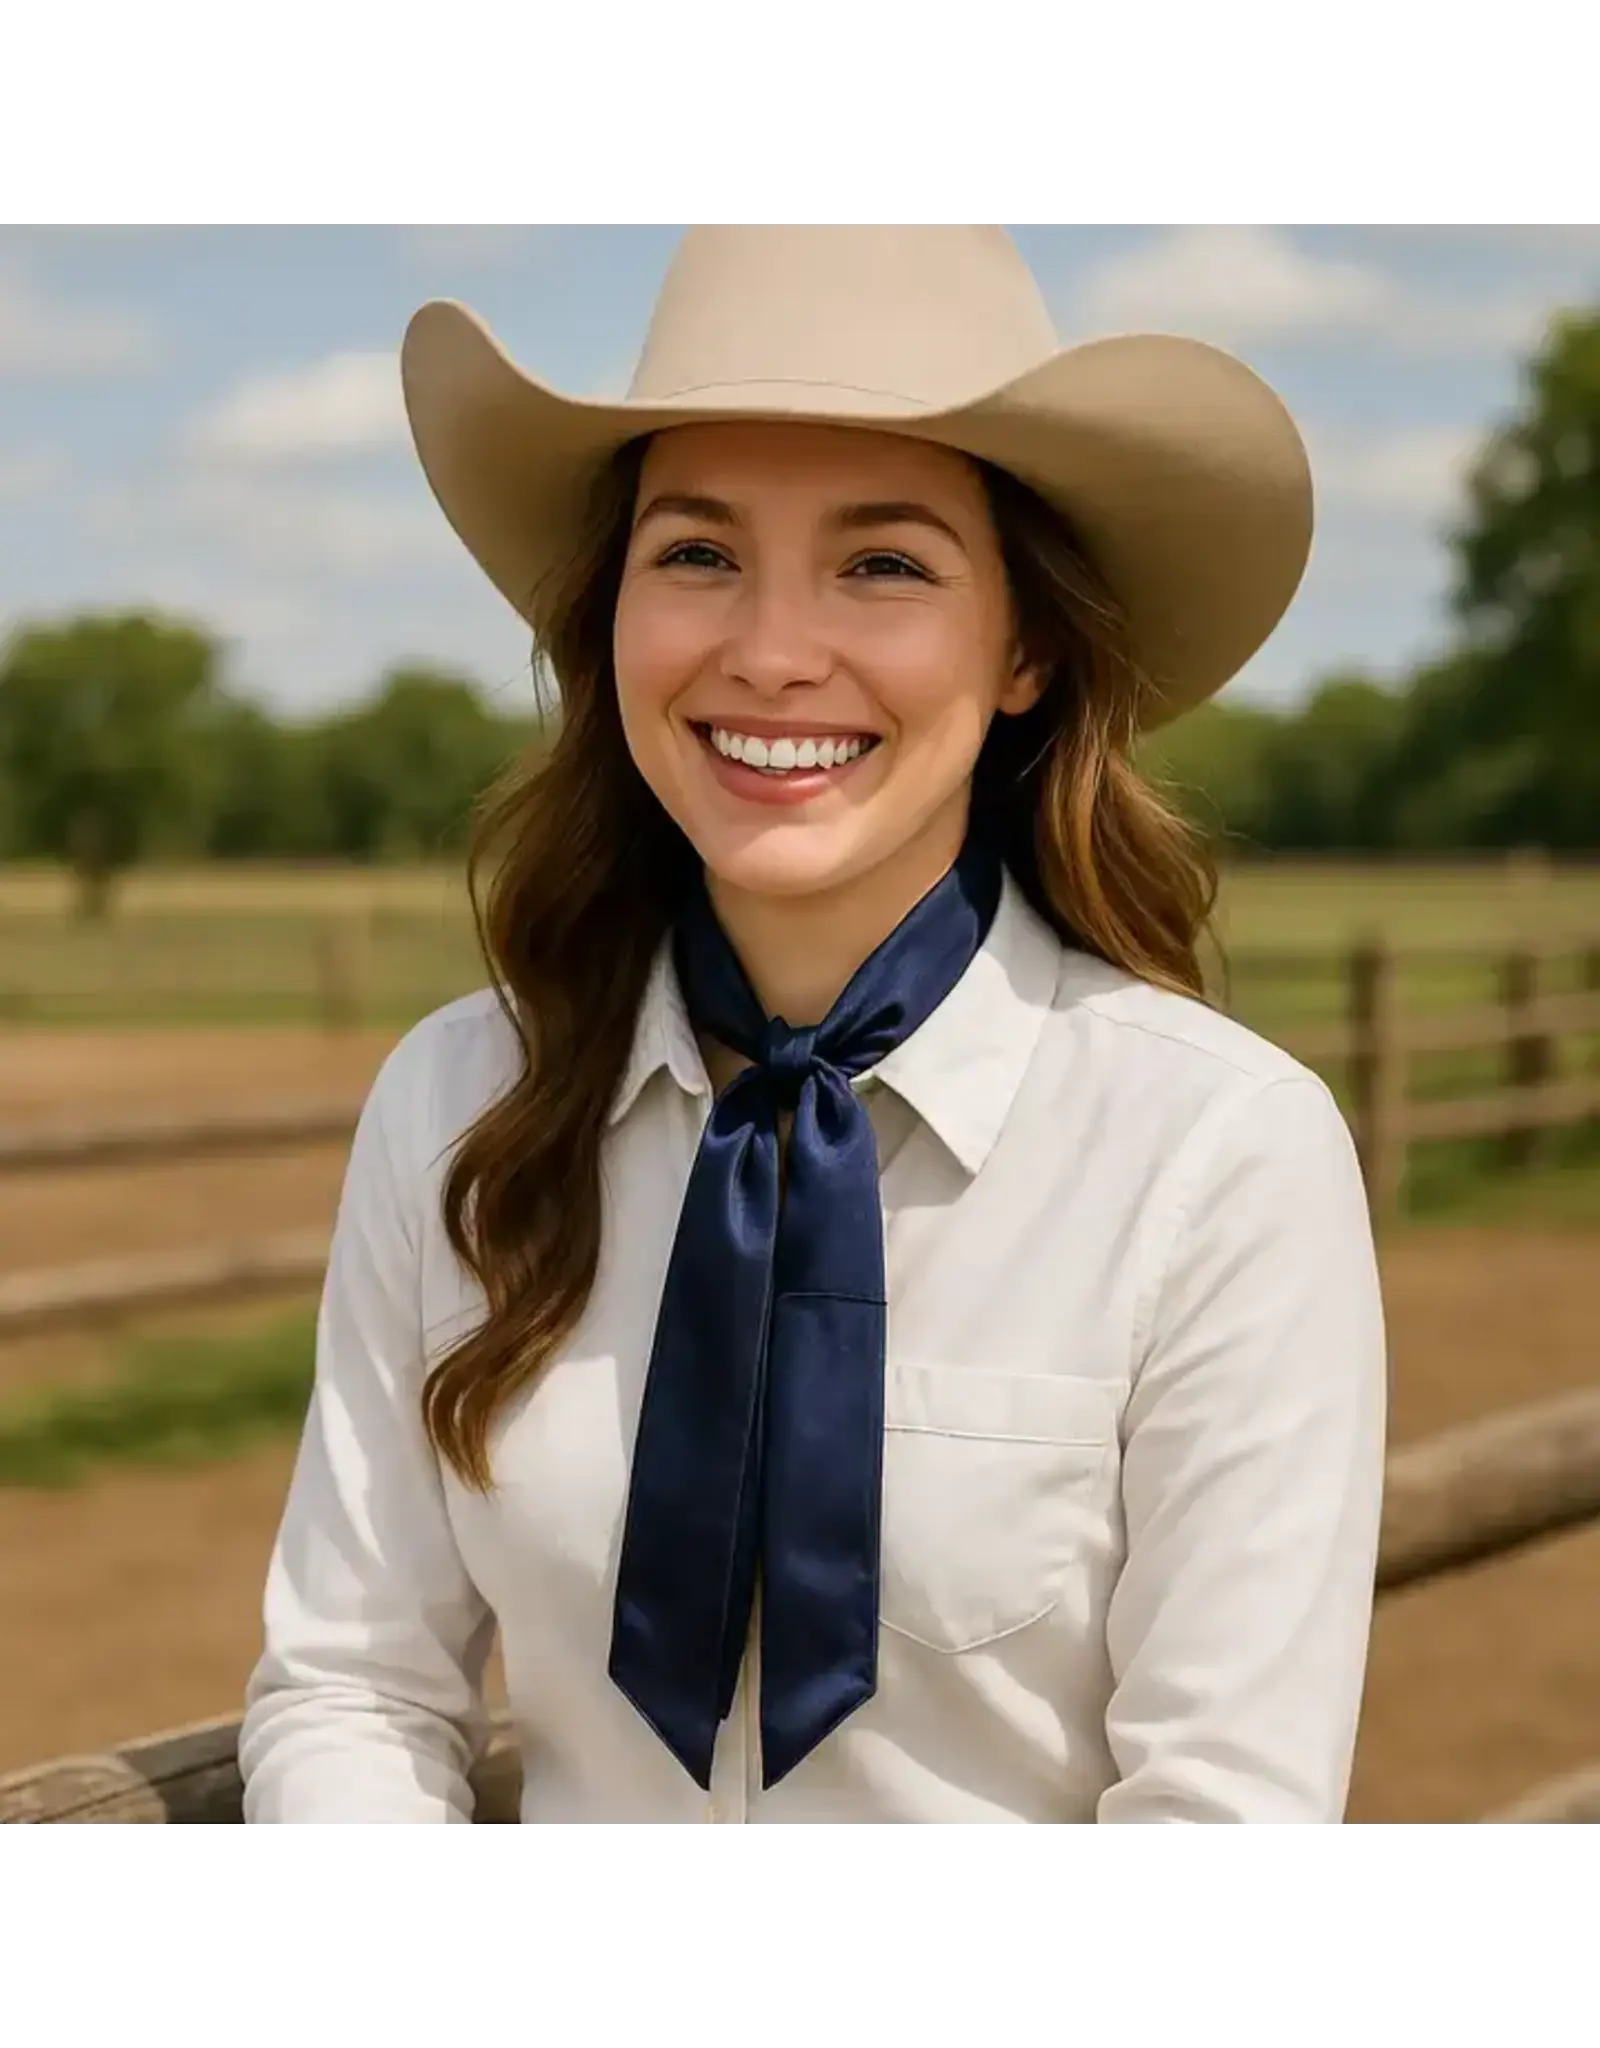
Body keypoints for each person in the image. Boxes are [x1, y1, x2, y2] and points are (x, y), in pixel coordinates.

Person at [239, 223, 1387, 1824]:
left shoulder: (1220, 1156)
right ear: (611, 615)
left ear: (1028, 650)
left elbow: (1226, 1795)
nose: (771, 654)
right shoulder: (456, 1102)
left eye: (885, 563)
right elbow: (353, 1684)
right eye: (696, 553)